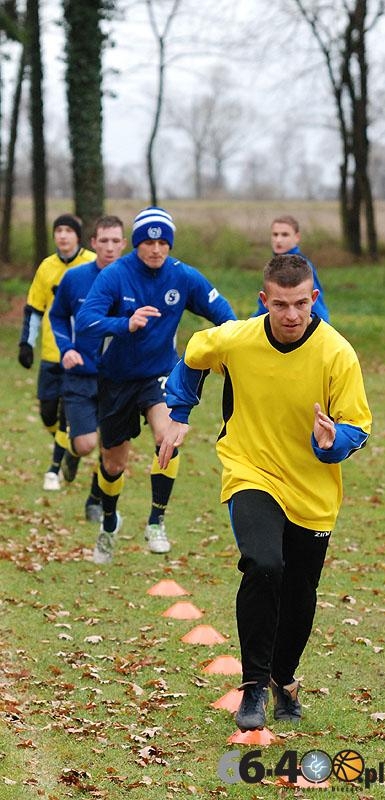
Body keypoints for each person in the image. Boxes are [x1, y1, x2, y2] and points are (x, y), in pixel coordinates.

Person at [159, 254, 371, 731]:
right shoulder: (237, 338)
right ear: (264, 301)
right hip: (250, 470)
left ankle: (284, 677)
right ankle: (253, 685)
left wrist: (332, 441)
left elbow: (357, 426)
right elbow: (194, 353)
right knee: (263, 564)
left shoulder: (337, 353)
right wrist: (179, 412)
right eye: (280, 305)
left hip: (312, 490)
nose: (291, 315)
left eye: (300, 304)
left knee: (300, 594)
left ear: (313, 298)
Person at [75, 206, 237, 563]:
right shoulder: (116, 275)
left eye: (163, 242)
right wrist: (125, 323)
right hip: (116, 379)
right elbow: (86, 321)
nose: (156, 249)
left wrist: (235, 347)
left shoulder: (183, 276)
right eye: (149, 242)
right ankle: (109, 523)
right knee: (113, 463)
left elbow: (224, 315)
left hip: (160, 373)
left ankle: (156, 521)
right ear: (137, 244)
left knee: (168, 437)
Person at [49, 215, 127, 521]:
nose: (109, 247)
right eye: (103, 241)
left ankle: (95, 500)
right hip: (80, 375)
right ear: (93, 243)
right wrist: (67, 349)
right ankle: (73, 452)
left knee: (111, 449)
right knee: (85, 445)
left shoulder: (134, 280)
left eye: (115, 241)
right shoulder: (75, 278)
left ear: (124, 244)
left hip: (119, 378)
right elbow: (57, 316)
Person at [18, 214, 95, 491]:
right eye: (58, 230)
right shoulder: (46, 267)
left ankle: (54, 469)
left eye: (68, 231)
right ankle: (71, 448)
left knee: (66, 415)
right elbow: (34, 309)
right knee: (48, 413)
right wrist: (26, 343)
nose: (62, 235)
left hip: (80, 355)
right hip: (51, 352)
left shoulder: (92, 264)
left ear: (78, 236)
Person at [252, 214, 330, 322]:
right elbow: (264, 310)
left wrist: (321, 329)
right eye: (275, 234)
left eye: (285, 235)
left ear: (297, 237)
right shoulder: (277, 264)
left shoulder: (300, 266)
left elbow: (316, 307)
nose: (278, 240)